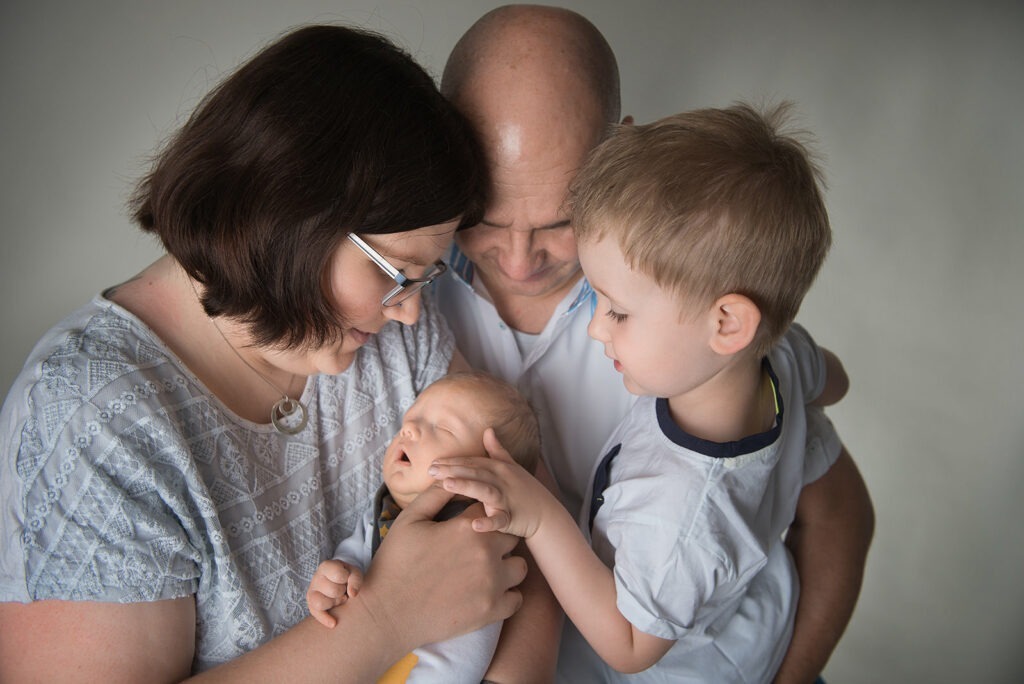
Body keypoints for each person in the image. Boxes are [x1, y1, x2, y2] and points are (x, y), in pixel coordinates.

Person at [0, 24, 556, 682]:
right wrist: (385, 620)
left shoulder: (395, 336)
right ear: (292, 213)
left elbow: (525, 504)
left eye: (423, 278)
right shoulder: (93, 418)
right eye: (394, 273)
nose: (409, 309)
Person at [437, 6, 874, 681]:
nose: (519, 261)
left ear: (618, 159)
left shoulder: (689, 322)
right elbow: (825, 375)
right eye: (483, 218)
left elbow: (840, 513)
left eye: (560, 221)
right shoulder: (402, 297)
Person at [307, 371, 541, 683]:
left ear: (490, 474)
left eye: (443, 429)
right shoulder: (383, 510)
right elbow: (355, 553)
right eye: (412, 416)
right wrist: (338, 576)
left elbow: (469, 647)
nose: (409, 428)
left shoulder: (482, 535)